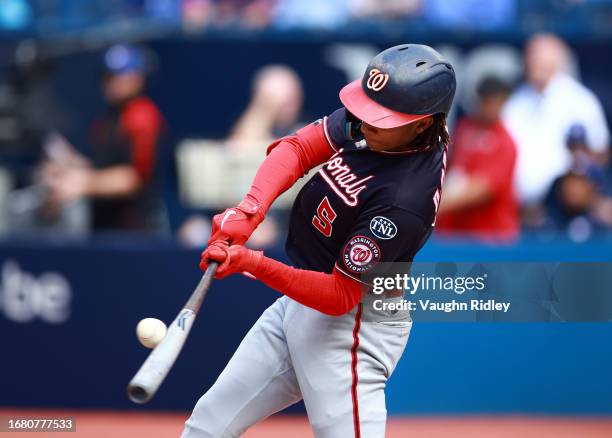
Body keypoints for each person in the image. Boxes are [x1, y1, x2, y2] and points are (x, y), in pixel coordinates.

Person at [182, 44, 455, 437]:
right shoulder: (384, 128)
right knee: (208, 423)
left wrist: (252, 263)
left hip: (353, 328)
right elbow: (298, 148)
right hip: (301, 301)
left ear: (423, 123)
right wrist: (249, 211)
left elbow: (339, 295)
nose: (364, 123)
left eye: (381, 118)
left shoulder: (404, 201)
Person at [42, 44, 166, 232]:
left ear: (138, 78)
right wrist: (69, 167)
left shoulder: (143, 117)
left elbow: (134, 179)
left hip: (135, 230)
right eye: (107, 76)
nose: (111, 83)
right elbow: (103, 167)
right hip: (104, 225)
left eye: (119, 76)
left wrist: (83, 183)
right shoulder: (107, 120)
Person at [502, 33, 610, 205]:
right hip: (518, 204)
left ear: (558, 61)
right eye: (531, 56)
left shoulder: (580, 99)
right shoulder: (515, 102)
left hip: (562, 207)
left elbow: (600, 149)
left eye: (541, 57)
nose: (534, 62)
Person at [437, 76, 519, 241]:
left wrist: (432, 207)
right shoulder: (464, 127)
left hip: (490, 237)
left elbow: (483, 189)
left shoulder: (504, 142)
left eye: (495, 101)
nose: (490, 107)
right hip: (455, 232)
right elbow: (450, 170)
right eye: (485, 100)